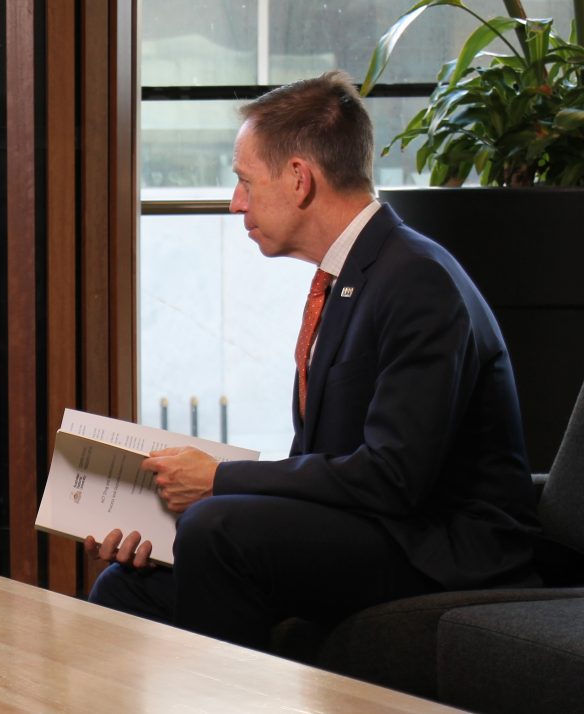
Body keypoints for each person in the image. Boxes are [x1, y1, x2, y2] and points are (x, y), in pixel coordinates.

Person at [85, 71, 541, 649]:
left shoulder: (417, 281)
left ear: (299, 178)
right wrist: (164, 521)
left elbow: (394, 476)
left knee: (216, 530)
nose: (235, 203)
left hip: (443, 546)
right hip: (379, 527)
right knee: (126, 586)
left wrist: (219, 481)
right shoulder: (349, 278)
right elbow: (325, 465)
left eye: (245, 182)